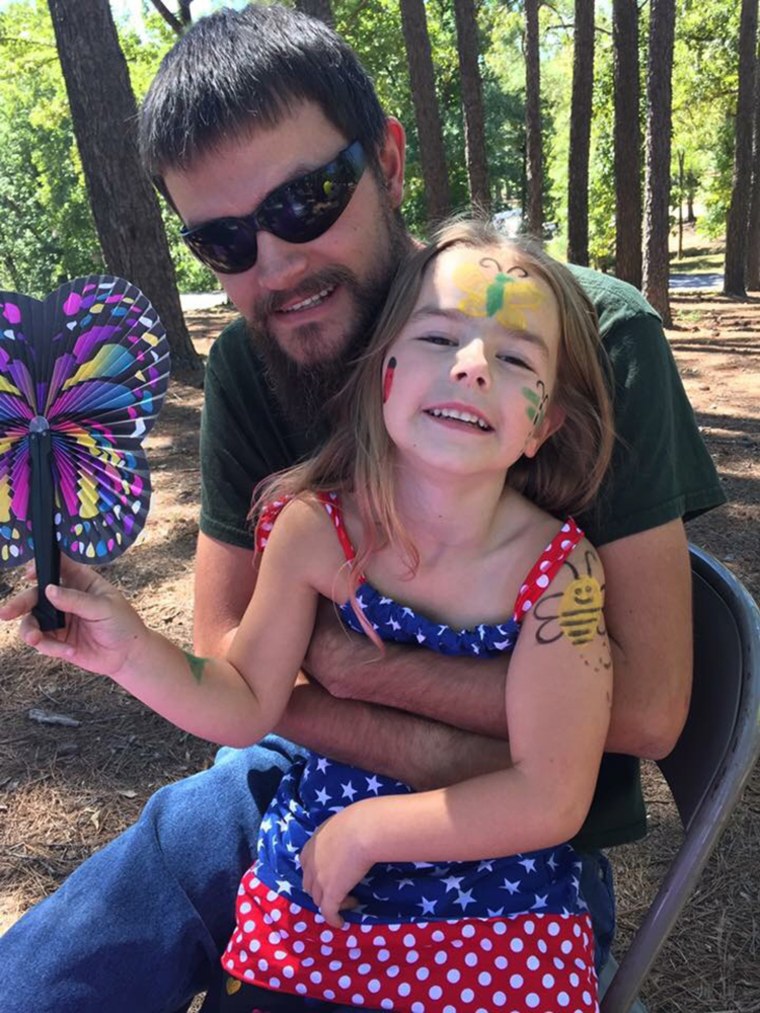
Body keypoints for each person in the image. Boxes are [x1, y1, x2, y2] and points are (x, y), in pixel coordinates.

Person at [0, 6, 724, 1013]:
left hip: (507, 852)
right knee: (38, 981)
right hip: (297, 777)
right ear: (381, 380)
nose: (275, 266)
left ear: (385, 158)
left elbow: (641, 711)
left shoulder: (592, 338)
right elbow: (226, 655)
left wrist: (346, 665)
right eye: (223, 240)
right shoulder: (267, 370)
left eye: (307, 199)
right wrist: (125, 643)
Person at [3, 220, 616, 1013]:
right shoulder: (314, 530)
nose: (470, 368)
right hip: (319, 902)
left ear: (545, 423)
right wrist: (127, 650)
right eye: (439, 337)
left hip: (501, 900)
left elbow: (551, 794)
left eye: (515, 357)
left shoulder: (562, 574)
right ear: (383, 372)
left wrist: (372, 830)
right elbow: (241, 702)